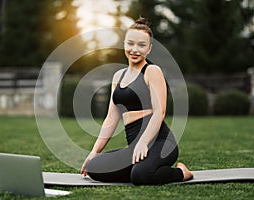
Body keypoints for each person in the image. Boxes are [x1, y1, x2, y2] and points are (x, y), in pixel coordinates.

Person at [80, 17, 194, 185]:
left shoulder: (152, 71)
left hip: (160, 143)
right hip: (135, 146)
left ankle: (181, 172)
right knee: (95, 168)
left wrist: (143, 142)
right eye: (130, 43)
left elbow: (159, 112)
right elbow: (111, 118)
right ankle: (140, 168)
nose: (135, 49)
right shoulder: (118, 76)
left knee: (141, 176)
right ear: (124, 44)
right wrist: (94, 151)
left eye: (141, 45)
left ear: (149, 49)